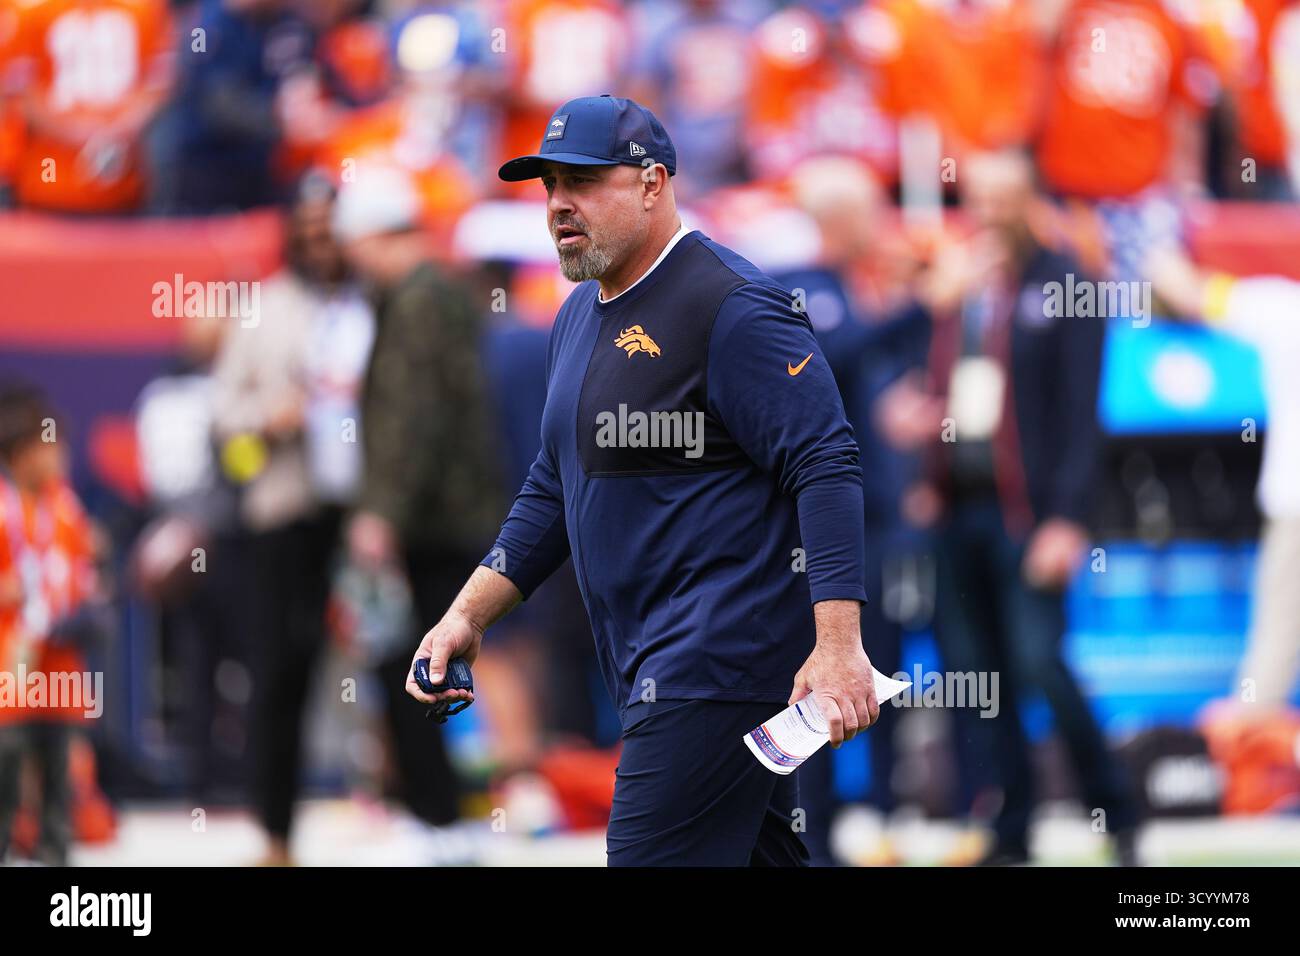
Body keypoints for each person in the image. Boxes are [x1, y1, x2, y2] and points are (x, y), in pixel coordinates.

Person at [405, 95, 879, 867]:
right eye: (550, 185)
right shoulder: (577, 315)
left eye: (584, 182)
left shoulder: (733, 304)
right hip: (652, 662)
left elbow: (825, 462)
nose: (560, 204)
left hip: (718, 664)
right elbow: (553, 488)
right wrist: (468, 616)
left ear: (654, 183)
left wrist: (838, 645)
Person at [894, 149, 1141, 865]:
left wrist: (1069, 518)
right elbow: (918, 383)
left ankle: (1117, 813)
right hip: (957, 510)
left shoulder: (1067, 283)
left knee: (1041, 666)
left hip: (1028, 517)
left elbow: (1081, 416)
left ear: (1033, 201)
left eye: (1006, 197)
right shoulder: (956, 286)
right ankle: (1012, 828)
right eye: (981, 198)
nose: (992, 212)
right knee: (978, 677)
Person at [336, 164, 504, 830]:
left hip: (434, 519)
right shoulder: (441, 289)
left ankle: (437, 816)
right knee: (438, 660)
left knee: (418, 663)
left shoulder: (417, 297)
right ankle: (444, 812)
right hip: (453, 510)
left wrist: (383, 511)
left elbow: (413, 415)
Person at [211, 174, 373, 865]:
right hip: (286, 511)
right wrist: (266, 421)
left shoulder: (371, 301)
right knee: (280, 674)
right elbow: (223, 420)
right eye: (305, 231)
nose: (317, 243)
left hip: (367, 514)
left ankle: (414, 811)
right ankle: (276, 834)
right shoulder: (264, 311)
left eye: (327, 230)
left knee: (395, 657)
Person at [1148, 249, 1300, 710]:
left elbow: (1179, 283)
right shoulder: (1280, 308)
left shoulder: (1281, 308)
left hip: (1294, 512)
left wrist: (1158, 250)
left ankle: (1250, 758)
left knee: (1273, 652)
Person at [0, 384, 102, 865]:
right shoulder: (4, 510)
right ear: (19, 454)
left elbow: (80, 572)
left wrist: (85, 598)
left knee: (59, 760)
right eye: (48, 448)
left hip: (59, 661)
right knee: (9, 755)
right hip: (12, 662)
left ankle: (56, 848)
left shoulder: (67, 510)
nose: (59, 458)